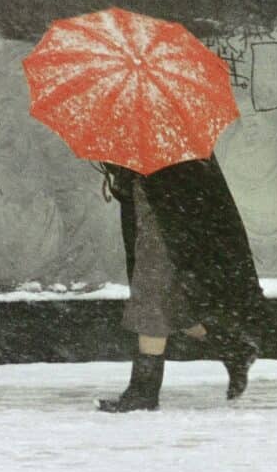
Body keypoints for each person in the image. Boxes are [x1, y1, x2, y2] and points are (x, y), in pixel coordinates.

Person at [96, 156, 266, 412]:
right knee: (176, 305)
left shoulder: (172, 144)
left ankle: (144, 390)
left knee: (151, 300)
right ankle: (233, 348)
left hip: (166, 223)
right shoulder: (152, 137)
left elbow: (184, 189)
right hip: (155, 218)